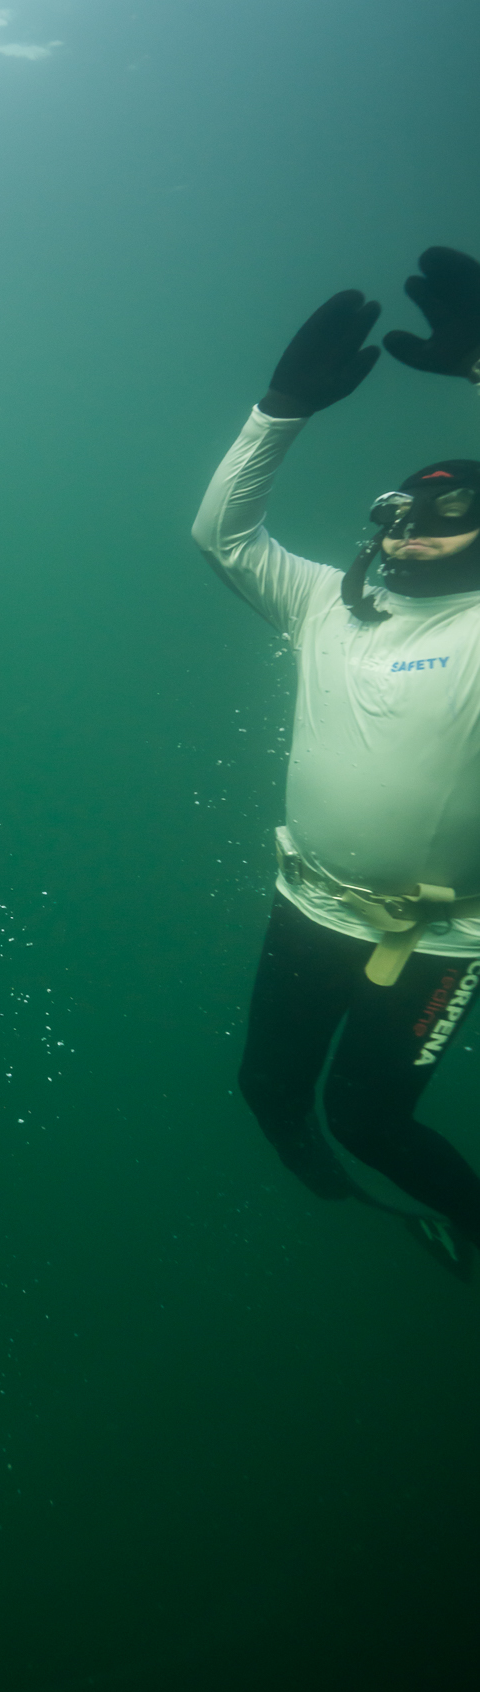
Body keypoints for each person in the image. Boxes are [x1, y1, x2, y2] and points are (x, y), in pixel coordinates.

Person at [193, 245, 480, 1267]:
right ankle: (349, 1206)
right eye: (397, 515)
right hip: (306, 904)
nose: (407, 535)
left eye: (445, 518)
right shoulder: (325, 603)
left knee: (368, 1116)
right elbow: (222, 536)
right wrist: (278, 410)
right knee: (265, 1091)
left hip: (440, 938)